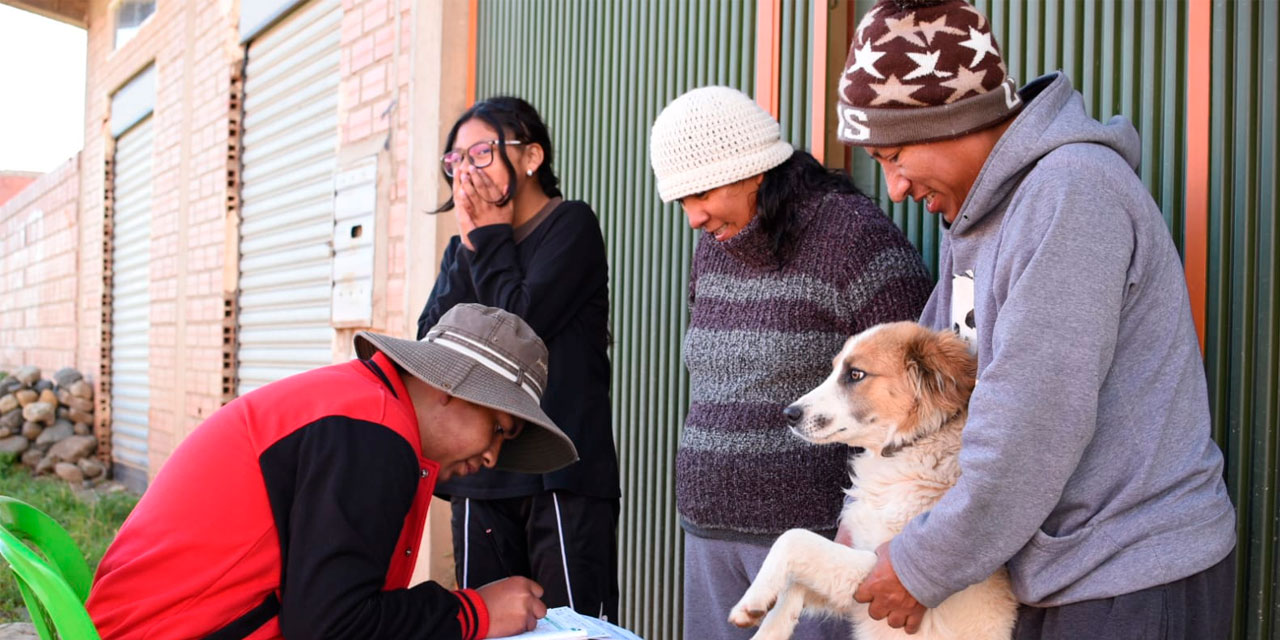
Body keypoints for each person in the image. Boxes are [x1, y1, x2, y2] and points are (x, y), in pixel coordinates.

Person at [835, 1, 1237, 638]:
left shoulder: (1071, 194)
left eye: (893, 156)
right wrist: (872, 519)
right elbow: (945, 400)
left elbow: (1031, 421)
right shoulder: (980, 216)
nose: (896, 189)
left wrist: (920, 564)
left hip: (1126, 575)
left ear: (951, 119)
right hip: (1050, 571)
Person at [86, 304, 577, 640]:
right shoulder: (372, 432)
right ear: (451, 385)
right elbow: (329, 626)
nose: (492, 458)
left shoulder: (358, 406)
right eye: (497, 428)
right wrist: (476, 613)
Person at [648, 86, 934, 640]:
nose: (692, 217)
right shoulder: (714, 244)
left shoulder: (854, 239)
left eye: (702, 193)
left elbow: (916, 409)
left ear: (754, 171)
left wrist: (868, 526)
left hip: (812, 546)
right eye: (681, 201)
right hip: (707, 533)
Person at [418, 96, 620, 621]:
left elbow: (517, 328)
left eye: (481, 152)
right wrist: (473, 243)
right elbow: (432, 343)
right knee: (489, 626)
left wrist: (486, 238)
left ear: (531, 157)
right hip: (479, 476)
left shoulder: (571, 225)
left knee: (570, 628)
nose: (466, 171)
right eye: (455, 160)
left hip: (560, 476)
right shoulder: (465, 248)